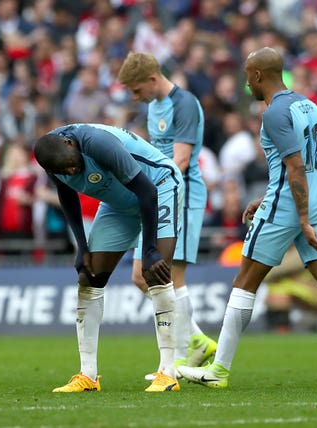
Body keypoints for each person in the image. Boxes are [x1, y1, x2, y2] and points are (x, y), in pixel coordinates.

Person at [177, 47, 317, 389]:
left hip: (290, 206)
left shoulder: (273, 113)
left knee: (244, 282)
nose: (246, 84)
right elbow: (304, 166)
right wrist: (276, 201)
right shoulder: (307, 104)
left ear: (257, 75)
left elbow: (295, 166)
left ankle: (218, 372)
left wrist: (298, 217)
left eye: (247, 76)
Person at [33, 123, 184, 393]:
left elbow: (146, 191)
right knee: (88, 276)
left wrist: (148, 249)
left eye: (71, 165)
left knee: (155, 272)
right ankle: (88, 375)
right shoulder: (52, 157)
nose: (71, 172)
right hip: (118, 204)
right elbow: (67, 195)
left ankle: (168, 372)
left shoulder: (98, 143)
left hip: (159, 186)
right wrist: (81, 245)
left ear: (70, 143)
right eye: (63, 172)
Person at [118, 52, 216, 380]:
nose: (135, 98)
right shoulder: (153, 106)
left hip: (183, 194)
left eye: (136, 90)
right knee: (141, 275)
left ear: (151, 79)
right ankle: (196, 340)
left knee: (171, 276)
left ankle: (174, 359)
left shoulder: (184, 103)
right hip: (158, 195)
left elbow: (182, 160)